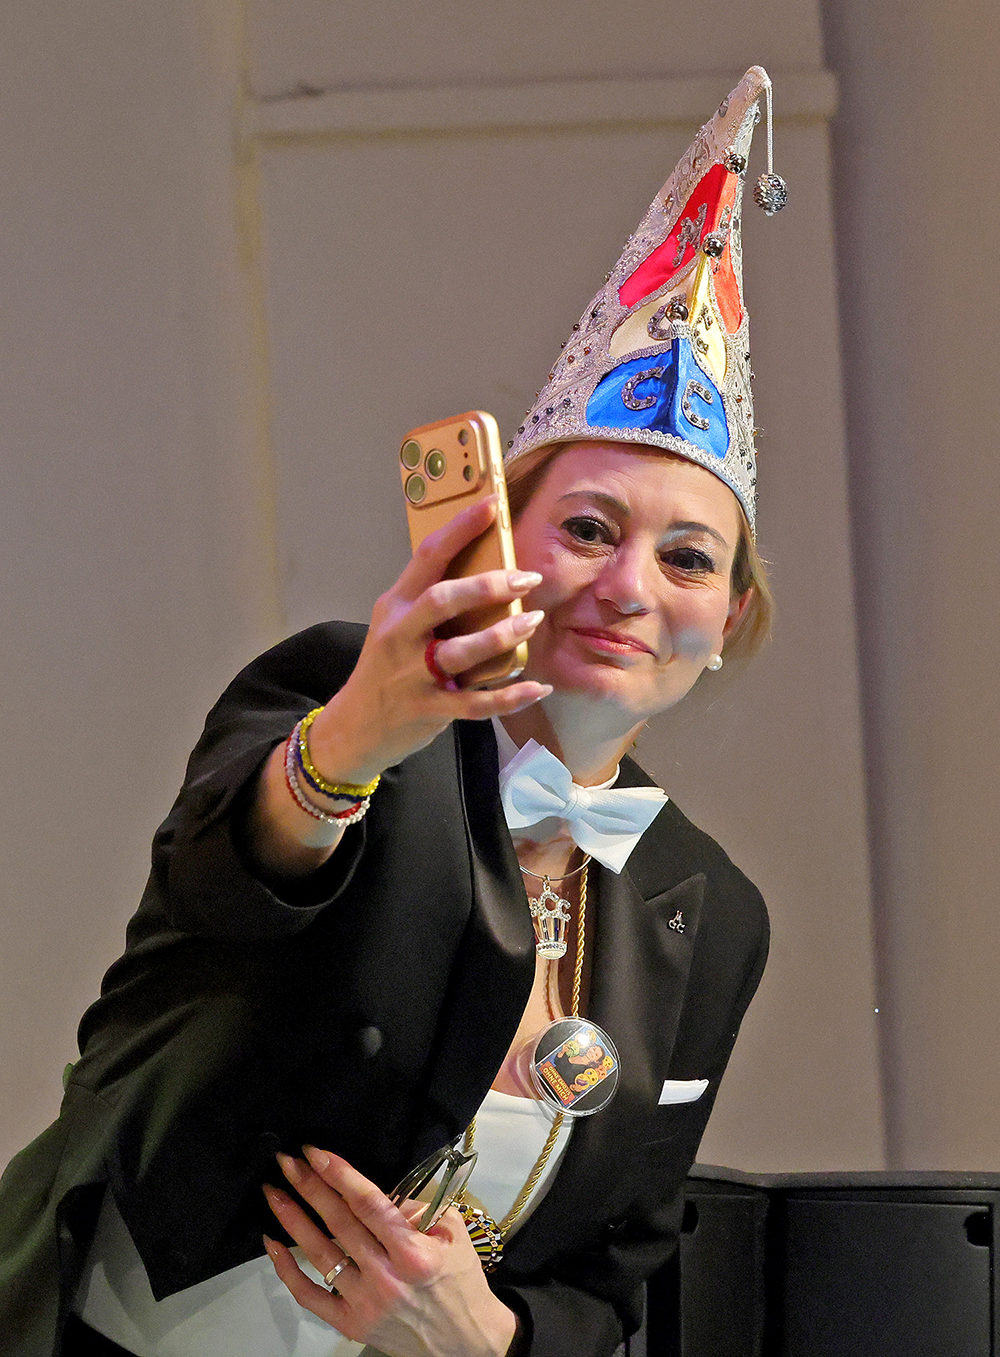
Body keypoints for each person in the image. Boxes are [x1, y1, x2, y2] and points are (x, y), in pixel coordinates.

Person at [0, 66, 784, 1357]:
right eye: (588, 529)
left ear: (731, 619)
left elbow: (611, 1270)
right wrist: (369, 722)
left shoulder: (716, 912)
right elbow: (219, 884)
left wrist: (486, 1340)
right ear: (500, 540)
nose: (630, 587)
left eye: (688, 559)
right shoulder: (354, 702)